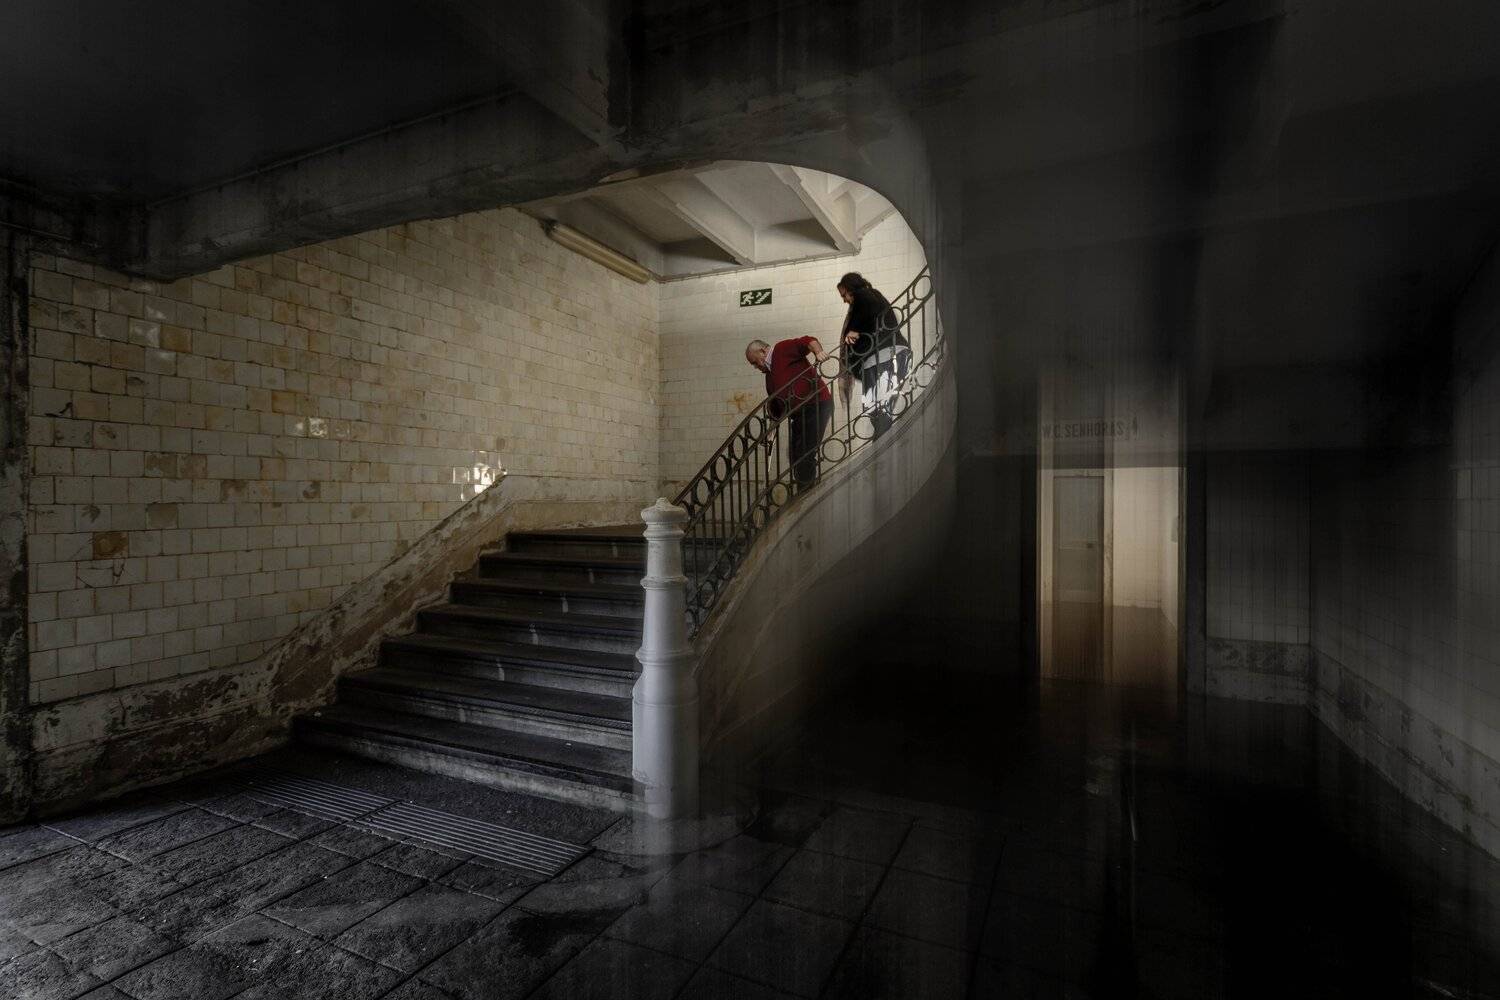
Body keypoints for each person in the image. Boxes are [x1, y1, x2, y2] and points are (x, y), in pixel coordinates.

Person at [745, 336, 833, 494]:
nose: (755, 367)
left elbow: (808, 340)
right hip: (798, 414)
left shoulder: (781, 348)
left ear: (763, 351)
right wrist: (772, 427)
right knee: (794, 453)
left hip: (816, 405)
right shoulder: (769, 376)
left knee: (805, 451)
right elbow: (776, 405)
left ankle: (806, 493)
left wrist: (818, 352)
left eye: (754, 362)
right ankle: (805, 488)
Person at [837, 272, 910, 439]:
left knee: (876, 409)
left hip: (881, 357)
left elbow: (866, 305)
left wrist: (853, 328)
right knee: (880, 409)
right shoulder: (873, 297)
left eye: (844, 295)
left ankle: (882, 446)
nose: (844, 300)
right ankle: (883, 443)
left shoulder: (864, 295)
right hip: (889, 356)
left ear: (851, 289)